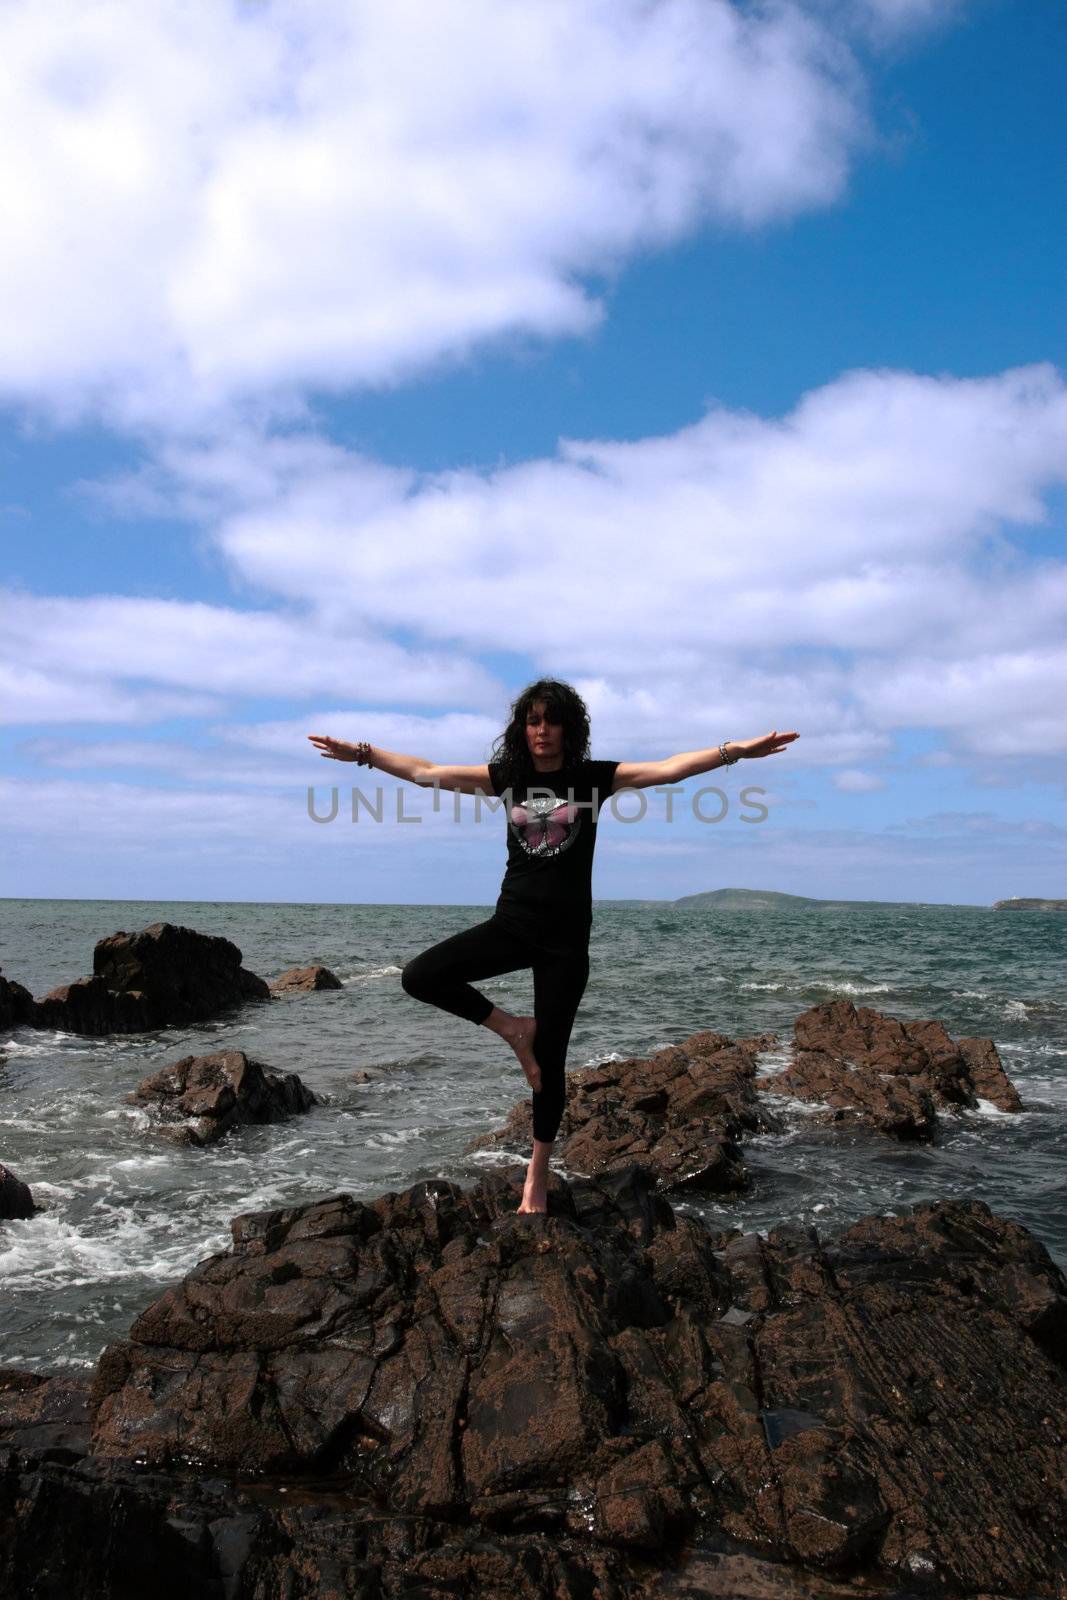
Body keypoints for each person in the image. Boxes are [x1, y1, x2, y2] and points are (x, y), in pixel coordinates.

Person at [308, 680, 798, 1214]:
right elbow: (429, 772)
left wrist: (737, 752)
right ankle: (513, 1029)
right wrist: (363, 754)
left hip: (565, 943)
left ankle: (535, 1180)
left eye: (552, 720)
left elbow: (670, 767)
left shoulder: (591, 779)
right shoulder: (507, 779)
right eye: (533, 721)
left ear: (569, 727)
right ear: (524, 727)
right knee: (421, 976)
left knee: (551, 1066)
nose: (542, 731)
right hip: (512, 926)